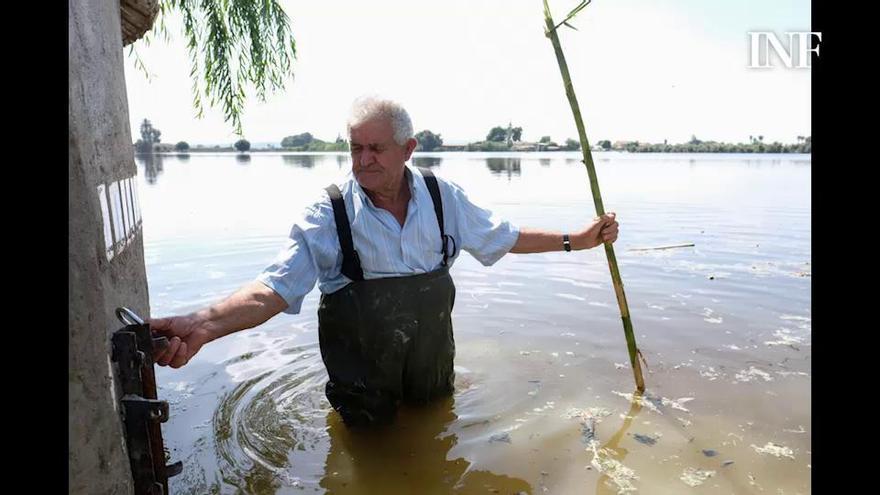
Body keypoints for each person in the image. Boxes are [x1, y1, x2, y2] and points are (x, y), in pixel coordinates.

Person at [150, 96, 619, 427]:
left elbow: (506, 237)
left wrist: (575, 240)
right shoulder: (328, 213)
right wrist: (204, 325)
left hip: (431, 369)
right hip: (362, 387)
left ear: (408, 149)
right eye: (355, 147)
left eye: (376, 148)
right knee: (373, 451)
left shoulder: (443, 197)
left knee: (436, 420)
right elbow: (274, 290)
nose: (363, 160)